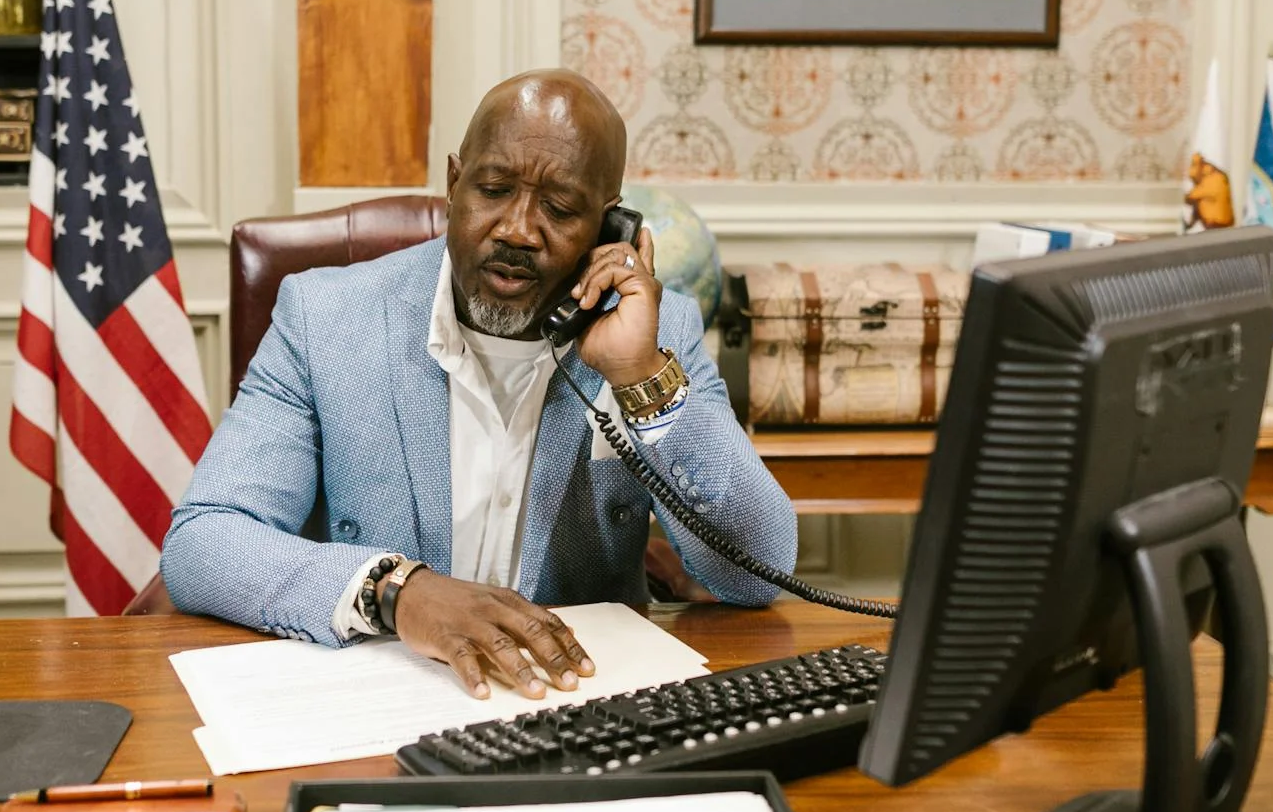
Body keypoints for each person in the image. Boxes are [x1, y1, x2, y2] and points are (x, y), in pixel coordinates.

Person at [159, 71, 796, 699]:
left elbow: (757, 573)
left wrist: (640, 376)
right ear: (453, 184)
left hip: (572, 703)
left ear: (610, 227)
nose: (518, 229)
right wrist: (396, 591)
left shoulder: (655, 334)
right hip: (380, 698)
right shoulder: (325, 317)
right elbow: (204, 541)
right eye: (493, 189)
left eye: (559, 207)